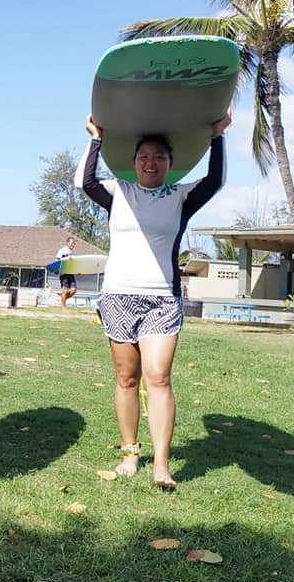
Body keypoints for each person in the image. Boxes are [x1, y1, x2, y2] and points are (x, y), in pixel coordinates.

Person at [77, 112, 230, 489]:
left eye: (159, 157)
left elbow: (214, 181)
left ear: (170, 164)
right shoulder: (118, 193)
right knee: (126, 378)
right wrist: (95, 139)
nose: (150, 162)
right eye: (144, 156)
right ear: (133, 162)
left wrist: (216, 137)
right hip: (118, 296)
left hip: (162, 298)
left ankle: (162, 465)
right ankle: (130, 453)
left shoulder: (180, 197)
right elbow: (85, 182)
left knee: (158, 376)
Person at [55, 236, 77, 306]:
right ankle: (63, 307)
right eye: (72, 243)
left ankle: (62, 301)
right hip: (64, 273)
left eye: (74, 243)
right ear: (67, 243)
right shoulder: (62, 250)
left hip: (71, 273)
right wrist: (56, 269)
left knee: (73, 290)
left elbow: (75, 263)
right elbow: (57, 260)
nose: (73, 245)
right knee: (65, 291)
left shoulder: (73, 252)